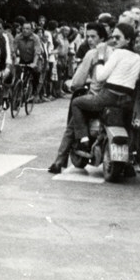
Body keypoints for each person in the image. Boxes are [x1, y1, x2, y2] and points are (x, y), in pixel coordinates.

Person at [69, 23, 140, 154]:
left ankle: (84, 140)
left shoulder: (117, 53)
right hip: (126, 100)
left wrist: (101, 58)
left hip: (108, 97)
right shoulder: (137, 57)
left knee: (76, 103)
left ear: (128, 39)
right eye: (113, 37)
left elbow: (100, 76)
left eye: (118, 37)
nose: (114, 40)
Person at [49, 22, 110, 174]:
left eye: (93, 37)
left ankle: (59, 161)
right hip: (115, 100)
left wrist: (73, 84)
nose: (89, 40)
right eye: (87, 37)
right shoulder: (116, 52)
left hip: (95, 99)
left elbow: (77, 81)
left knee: (72, 124)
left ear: (101, 37)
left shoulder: (92, 54)